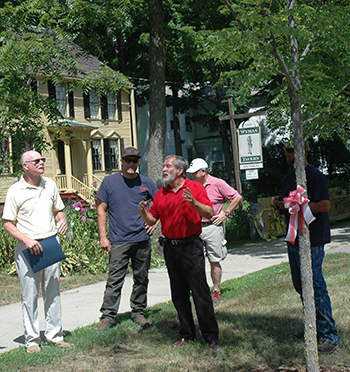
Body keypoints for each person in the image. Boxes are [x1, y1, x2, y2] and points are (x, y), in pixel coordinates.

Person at [138, 155, 220, 350]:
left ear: (180, 170)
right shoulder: (161, 194)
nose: (164, 169)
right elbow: (151, 220)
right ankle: (187, 334)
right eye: (164, 166)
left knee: (200, 293)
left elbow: (209, 213)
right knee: (179, 294)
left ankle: (211, 337)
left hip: (191, 247)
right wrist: (143, 212)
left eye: (168, 166)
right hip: (171, 249)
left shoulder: (196, 188)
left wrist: (194, 203)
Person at [2, 150, 73, 353]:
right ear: (25, 166)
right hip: (27, 249)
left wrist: (62, 219)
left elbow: (58, 210)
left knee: (53, 292)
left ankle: (55, 335)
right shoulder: (16, 190)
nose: (42, 162)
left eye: (42, 159)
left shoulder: (49, 184)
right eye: (37, 161)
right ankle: (32, 340)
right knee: (29, 295)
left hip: (50, 244)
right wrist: (26, 239)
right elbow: (8, 223)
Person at [273, 142, 339, 354]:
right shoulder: (289, 177)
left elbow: (324, 205)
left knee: (315, 285)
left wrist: (300, 206)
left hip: (313, 239)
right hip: (294, 239)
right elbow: (288, 203)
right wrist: (280, 204)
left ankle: (329, 335)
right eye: (286, 151)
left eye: (290, 151)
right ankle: (313, 326)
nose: (287, 154)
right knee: (300, 285)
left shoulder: (315, 175)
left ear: (302, 152)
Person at [96, 147, 158, 332]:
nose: (131, 164)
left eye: (135, 160)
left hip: (141, 239)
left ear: (139, 162)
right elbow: (101, 209)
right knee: (115, 279)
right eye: (128, 160)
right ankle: (108, 316)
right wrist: (103, 237)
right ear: (121, 161)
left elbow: (161, 204)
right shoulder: (109, 182)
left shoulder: (146, 182)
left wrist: (155, 223)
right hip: (119, 240)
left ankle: (138, 312)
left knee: (141, 277)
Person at [187, 158, 242, 301]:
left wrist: (226, 213)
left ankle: (216, 290)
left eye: (194, 173)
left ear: (203, 172)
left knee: (214, 259)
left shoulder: (217, 183)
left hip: (212, 226)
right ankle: (199, 290)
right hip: (195, 227)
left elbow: (236, 197)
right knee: (194, 261)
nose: (191, 175)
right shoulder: (190, 186)